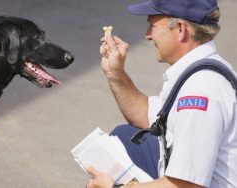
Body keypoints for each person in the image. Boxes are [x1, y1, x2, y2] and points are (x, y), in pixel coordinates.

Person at [86, 0, 237, 188]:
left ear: (181, 29)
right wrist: (115, 73)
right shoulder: (200, 68)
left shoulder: (200, 91)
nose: (147, 35)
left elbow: (186, 186)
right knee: (123, 137)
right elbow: (147, 116)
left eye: (152, 26)